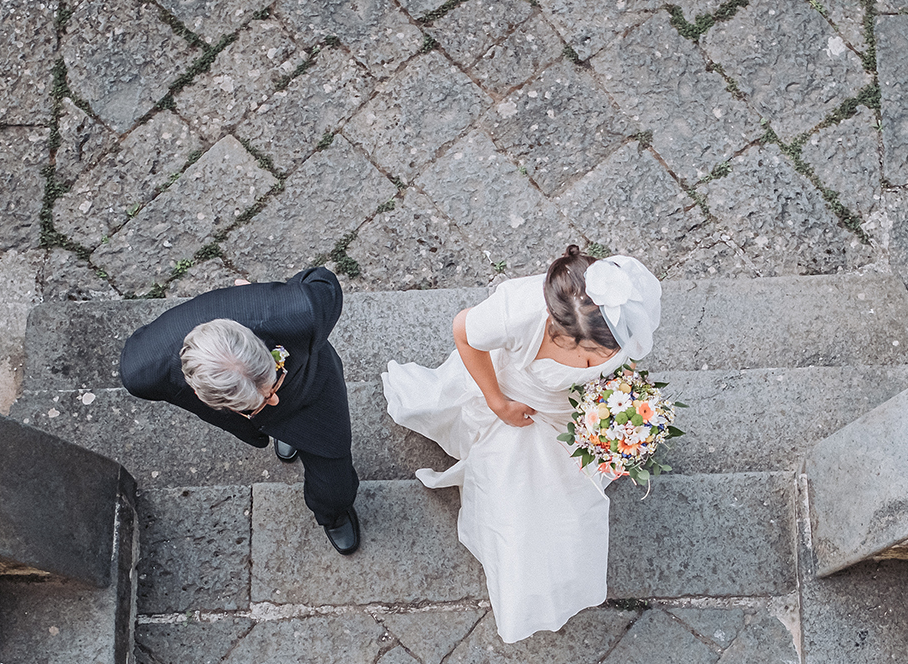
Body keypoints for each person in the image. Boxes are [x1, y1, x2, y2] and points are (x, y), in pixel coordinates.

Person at [382, 246, 662, 642]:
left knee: (569, 497)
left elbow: (626, 360)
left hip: (572, 415)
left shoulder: (619, 310)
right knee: (515, 504)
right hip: (517, 406)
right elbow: (464, 332)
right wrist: (498, 403)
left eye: (605, 352)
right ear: (554, 325)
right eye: (586, 354)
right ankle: (525, 584)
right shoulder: (516, 312)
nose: (597, 362)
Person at [120, 266, 361, 554]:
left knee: (335, 477)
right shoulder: (143, 371)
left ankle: (332, 511)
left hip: (312, 392)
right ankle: (274, 427)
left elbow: (321, 278)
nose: (273, 401)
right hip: (247, 416)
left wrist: (273, 293)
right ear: (198, 392)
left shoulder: (303, 310)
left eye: (272, 386)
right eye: (256, 404)